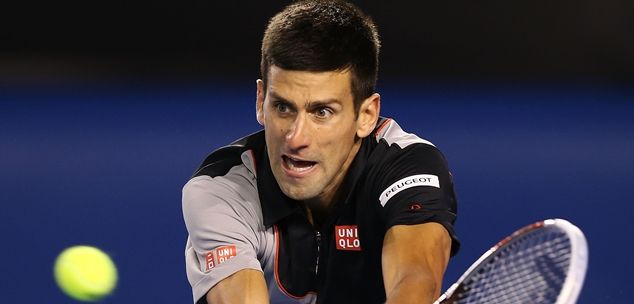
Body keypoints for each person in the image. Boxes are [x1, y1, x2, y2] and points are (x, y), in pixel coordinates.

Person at [182, 1, 459, 303]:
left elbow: (415, 280)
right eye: (283, 107)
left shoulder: (409, 167)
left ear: (366, 114)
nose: (296, 138)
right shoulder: (221, 189)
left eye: (322, 112)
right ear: (261, 100)